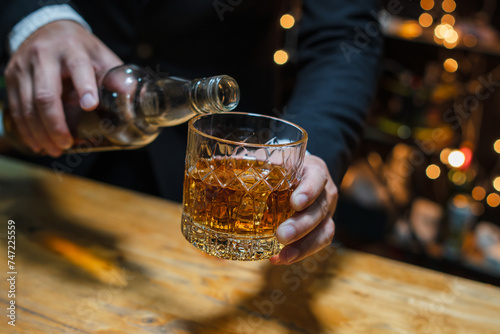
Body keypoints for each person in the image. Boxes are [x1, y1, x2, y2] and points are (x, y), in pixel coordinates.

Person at [0, 0, 382, 265]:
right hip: (43, 148)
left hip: (223, 184)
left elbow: (344, 33)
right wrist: (36, 17)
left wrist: (308, 153)